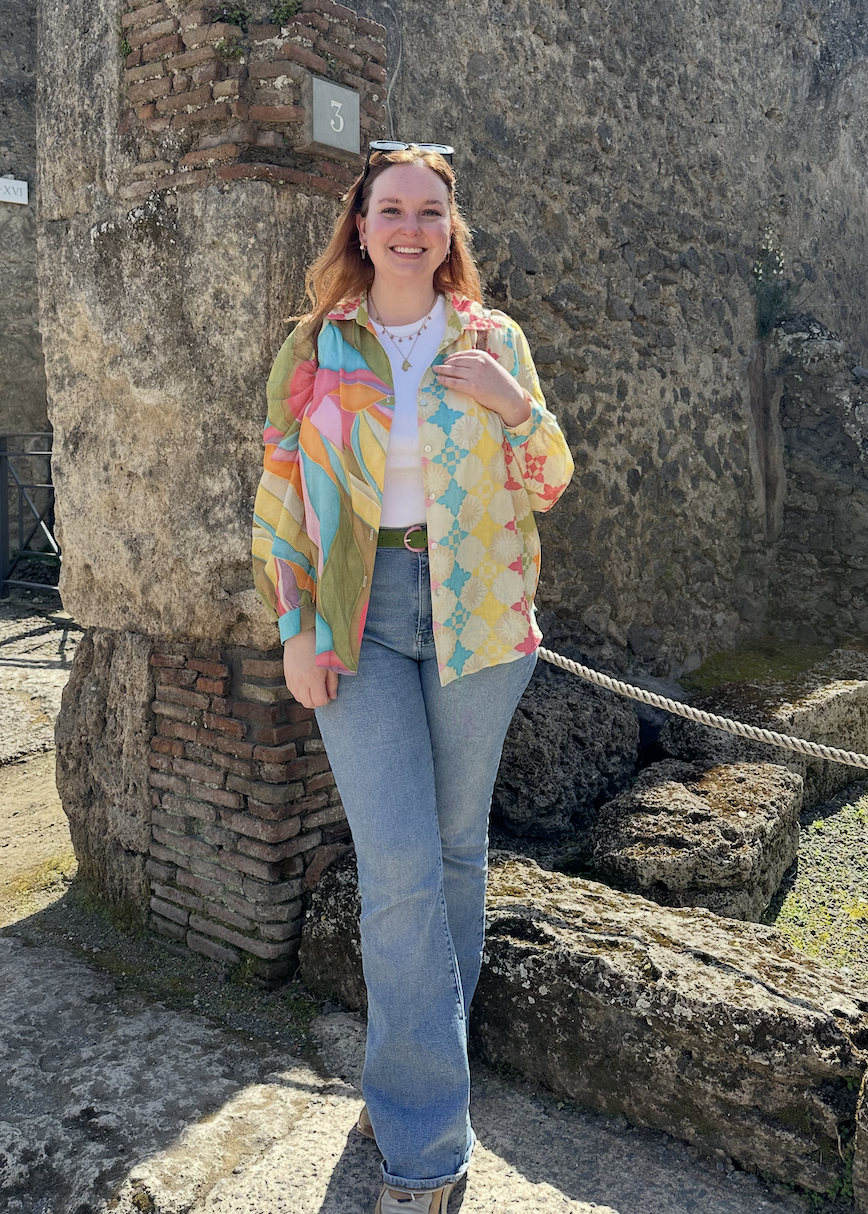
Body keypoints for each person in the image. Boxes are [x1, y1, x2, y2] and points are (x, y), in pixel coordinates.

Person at [252, 141, 574, 1214]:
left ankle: (403, 1079)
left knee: (451, 860)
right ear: (359, 222)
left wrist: (509, 402)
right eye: (390, 207)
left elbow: (550, 478)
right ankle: (427, 1150)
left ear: (450, 229)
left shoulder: (494, 341)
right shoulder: (315, 344)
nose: (408, 226)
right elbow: (280, 496)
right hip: (359, 617)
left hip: (478, 618)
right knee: (396, 867)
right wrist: (298, 623)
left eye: (429, 211)